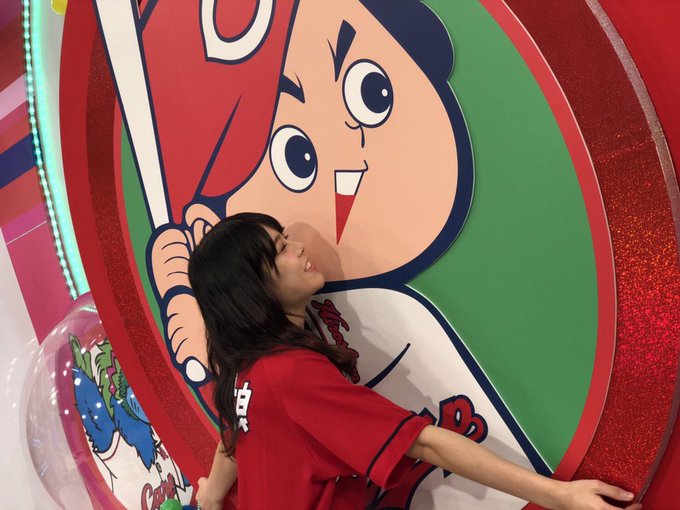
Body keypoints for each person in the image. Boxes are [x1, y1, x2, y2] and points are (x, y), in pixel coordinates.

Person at [187, 212, 639, 510]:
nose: (300, 248)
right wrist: (559, 496)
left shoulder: (244, 367)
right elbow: (424, 443)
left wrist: (211, 498)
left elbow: (231, 439)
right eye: (280, 249)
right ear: (251, 289)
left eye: (287, 237)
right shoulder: (288, 372)